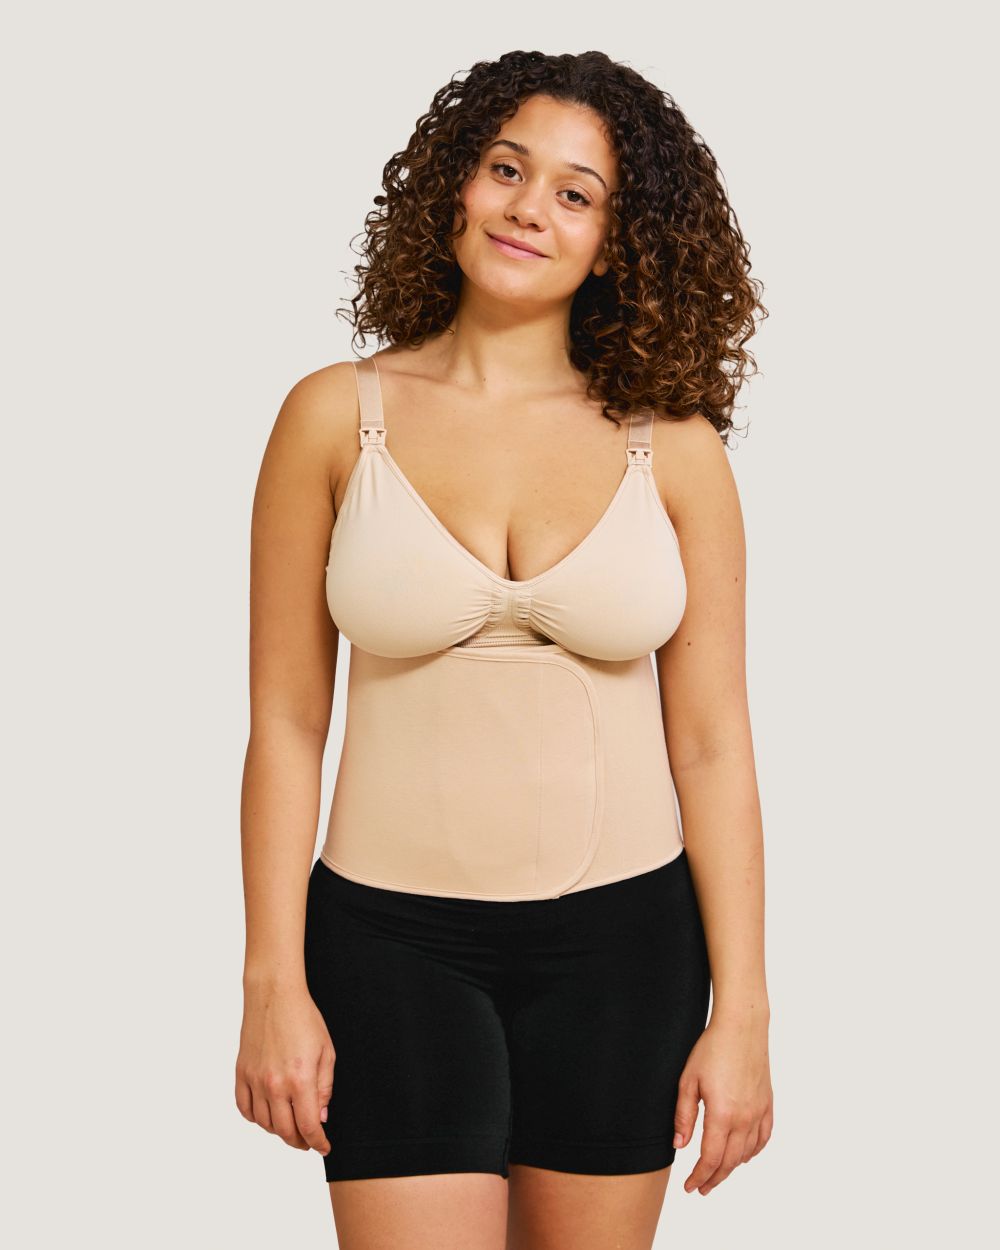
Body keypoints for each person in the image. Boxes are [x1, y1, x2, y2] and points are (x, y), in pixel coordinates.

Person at [236, 49, 772, 1250]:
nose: (531, 207)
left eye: (576, 193)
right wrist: (272, 975)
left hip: (626, 948)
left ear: (618, 241)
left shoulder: (674, 446)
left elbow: (712, 741)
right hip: (388, 944)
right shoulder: (333, 415)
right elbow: (285, 721)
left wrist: (743, 1009)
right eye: (507, 169)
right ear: (455, 186)